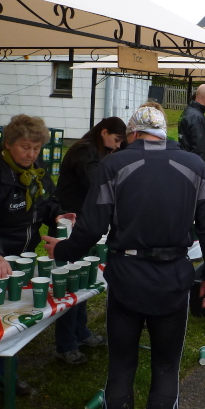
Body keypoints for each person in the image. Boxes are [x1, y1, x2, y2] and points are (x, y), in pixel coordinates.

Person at [42, 104, 205, 409]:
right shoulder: (194, 165)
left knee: (121, 367)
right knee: (166, 368)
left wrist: (62, 250)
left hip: (127, 276)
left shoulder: (113, 164)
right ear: (162, 133)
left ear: (133, 133)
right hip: (172, 277)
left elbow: (91, 228)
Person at [0, 115, 76, 409]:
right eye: (25, 147)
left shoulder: (35, 170)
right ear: (8, 144)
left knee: (13, 323)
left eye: (36, 148)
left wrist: (58, 215)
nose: (32, 154)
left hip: (20, 257)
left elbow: (45, 202)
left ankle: (6, 378)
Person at [52, 116, 126, 365]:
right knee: (70, 283)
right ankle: (66, 344)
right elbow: (97, 181)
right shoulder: (83, 151)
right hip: (70, 222)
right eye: (116, 140)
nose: (117, 146)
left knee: (82, 280)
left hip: (82, 223)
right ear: (103, 132)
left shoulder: (97, 151)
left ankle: (80, 331)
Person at [178, 83, 205, 163]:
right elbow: (199, 148)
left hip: (186, 160)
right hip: (195, 164)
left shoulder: (188, 111)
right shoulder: (197, 117)